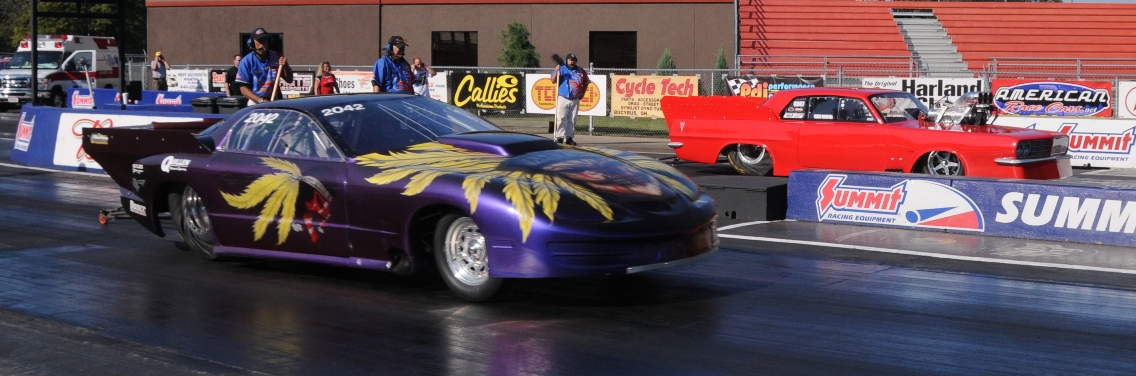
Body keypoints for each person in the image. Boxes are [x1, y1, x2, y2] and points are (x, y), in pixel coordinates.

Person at [234, 28, 293, 104]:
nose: (263, 43)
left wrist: (286, 67)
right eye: (260, 41)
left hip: (275, 99)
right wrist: (261, 101)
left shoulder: (277, 56)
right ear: (252, 43)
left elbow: (289, 80)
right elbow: (243, 89)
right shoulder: (246, 61)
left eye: (265, 40)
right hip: (256, 100)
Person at [551, 53, 589, 145]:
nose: (571, 62)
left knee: (572, 119)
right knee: (561, 118)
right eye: (569, 60)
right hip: (563, 97)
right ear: (567, 60)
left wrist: (583, 93)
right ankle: (559, 136)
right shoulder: (562, 69)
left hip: (575, 99)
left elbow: (586, 82)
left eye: (573, 60)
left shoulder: (580, 70)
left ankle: (569, 138)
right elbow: (553, 81)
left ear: (575, 61)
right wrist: (556, 71)